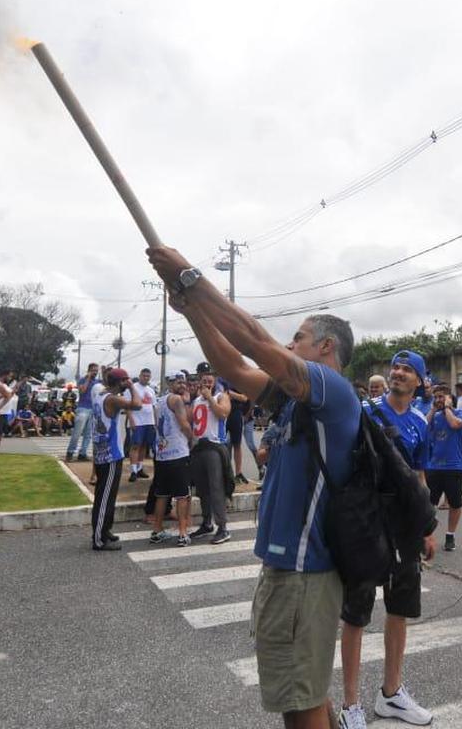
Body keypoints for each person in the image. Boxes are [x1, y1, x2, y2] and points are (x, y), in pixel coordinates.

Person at [147, 245, 360, 729]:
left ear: (326, 348)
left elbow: (256, 342)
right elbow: (234, 367)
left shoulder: (333, 392)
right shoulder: (292, 401)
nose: (289, 344)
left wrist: (192, 280)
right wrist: (192, 309)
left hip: (307, 572)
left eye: (300, 337)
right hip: (285, 569)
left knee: (300, 703)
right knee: (300, 693)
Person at [341, 349, 437, 728]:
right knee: (356, 613)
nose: (397, 373)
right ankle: (351, 706)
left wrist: (427, 526)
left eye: (407, 370)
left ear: (419, 381)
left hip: (405, 527)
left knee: (399, 610)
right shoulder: (366, 411)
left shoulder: (420, 421)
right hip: (367, 522)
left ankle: (391, 694)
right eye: (395, 367)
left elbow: (418, 477)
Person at [90, 367, 140, 551]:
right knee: (104, 498)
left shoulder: (101, 395)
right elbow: (137, 404)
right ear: (119, 382)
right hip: (110, 454)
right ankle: (99, 539)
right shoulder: (112, 399)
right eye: (124, 381)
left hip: (103, 452)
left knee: (107, 496)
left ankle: (105, 531)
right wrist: (132, 387)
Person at [189, 367, 233, 544]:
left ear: (214, 381)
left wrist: (209, 398)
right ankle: (207, 522)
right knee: (202, 488)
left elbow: (223, 414)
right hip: (199, 447)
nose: (207, 383)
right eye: (204, 380)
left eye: (210, 379)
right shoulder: (196, 400)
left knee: (216, 488)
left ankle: (222, 527)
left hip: (214, 447)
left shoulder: (221, 396)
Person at [153, 373, 194, 546]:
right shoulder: (176, 400)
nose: (182, 385)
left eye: (183, 382)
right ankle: (183, 533)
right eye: (178, 382)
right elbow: (184, 423)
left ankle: (157, 530)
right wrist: (192, 439)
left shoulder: (159, 401)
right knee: (182, 496)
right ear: (170, 383)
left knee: (162, 495)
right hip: (178, 453)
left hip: (162, 454)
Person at [426, 383, 462, 552]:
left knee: (455, 504)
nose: (438, 400)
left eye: (441, 397)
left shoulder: (460, 412)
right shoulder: (434, 415)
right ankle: (426, 535)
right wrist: (433, 410)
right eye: (435, 397)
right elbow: (422, 426)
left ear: (449, 398)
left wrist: (448, 408)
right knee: (429, 504)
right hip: (434, 466)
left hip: (454, 467)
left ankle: (450, 535)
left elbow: (455, 424)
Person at [65, 363, 101, 463]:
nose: (95, 372)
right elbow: (82, 391)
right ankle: (70, 453)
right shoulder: (82, 380)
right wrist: (88, 379)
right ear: (89, 370)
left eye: (96, 370)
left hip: (93, 409)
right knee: (77, 433)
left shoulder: (97, 382)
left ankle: (82, 453)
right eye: (93, 370)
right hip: (83, 409)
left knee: (88, 434)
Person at [127, 367, 157, 482]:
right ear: (140, 376)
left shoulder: (151, 390)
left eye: (148, 376)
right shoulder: (133, 388)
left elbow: (153, 407)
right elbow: (128, 406)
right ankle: (133, 471)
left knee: (144, 446)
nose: (146, 378)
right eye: (144, 376)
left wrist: (155, 422)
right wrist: (131, 420)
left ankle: (139, 468)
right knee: (135, 445)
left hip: (149, 422)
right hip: (138, 422)